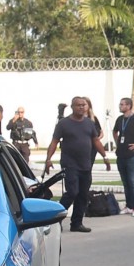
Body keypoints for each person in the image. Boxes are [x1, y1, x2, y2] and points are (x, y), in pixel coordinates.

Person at [41, 95, 104, 233]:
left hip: (86, 164)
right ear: (72, 107)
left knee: (83, 194)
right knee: (72, 192)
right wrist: (48, 159)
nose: (81, 107)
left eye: (83, 105)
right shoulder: (64, 123)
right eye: (78, 105)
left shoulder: (89, 123)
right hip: (70, 164)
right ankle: (54, 220)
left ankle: (76, 223)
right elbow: (54, 142)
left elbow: (96, 141)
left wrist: (105, 156)